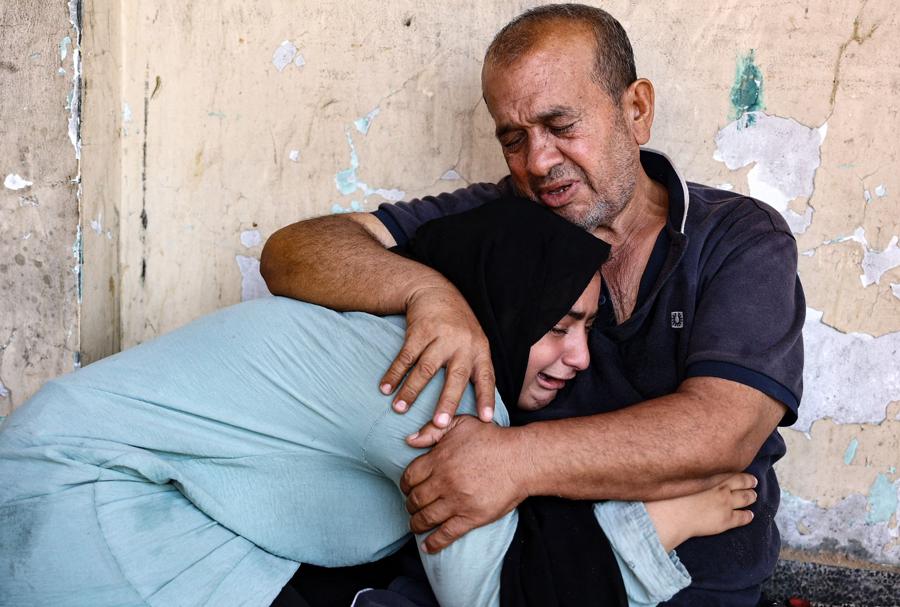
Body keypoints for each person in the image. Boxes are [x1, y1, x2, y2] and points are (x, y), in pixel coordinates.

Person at [260, 5, 805, 606]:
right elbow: (295, 252)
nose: (538, 163)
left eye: (561, 126)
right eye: (513, 139)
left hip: (692, 580)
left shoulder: (736, 237)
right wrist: (427, 292)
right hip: (516, 568)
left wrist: (513, 462)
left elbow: (721, 432)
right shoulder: (498, 225)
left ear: (636, 111)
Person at [0, 199, 757, 607]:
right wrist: (660, 525)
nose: (581, 357)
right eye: (559, 327)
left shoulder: (415, 337)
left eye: (589, 327)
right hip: (73, 508)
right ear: (509, 306)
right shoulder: (435, 376)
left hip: (79, 487)